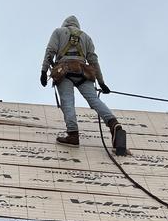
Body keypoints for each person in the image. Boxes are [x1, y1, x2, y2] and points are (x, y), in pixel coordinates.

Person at [41, 15, 121, 146]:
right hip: (83, 72)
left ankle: (73, 135)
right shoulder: (86, 37)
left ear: (65, 24)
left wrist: (44, 71)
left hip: (64, 71)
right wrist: (101, 82)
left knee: (67, 101)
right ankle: (113, 123)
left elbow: (50, 51)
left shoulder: (59, 32)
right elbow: (93, 60)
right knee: (94, 100)